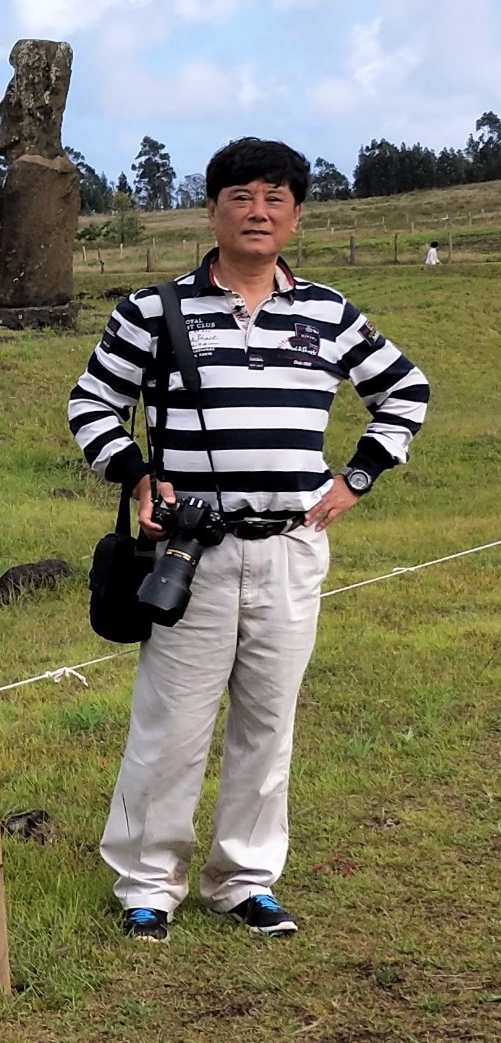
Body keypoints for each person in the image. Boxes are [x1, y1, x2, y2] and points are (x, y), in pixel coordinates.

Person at [66, 138, 429, 942]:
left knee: (269, 719)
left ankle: (243, 878)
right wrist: (136, 475)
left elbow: (404, 390)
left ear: (296, 214)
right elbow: (92, 402)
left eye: (274, 197)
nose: (257, 211)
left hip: (292, 548)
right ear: (212, 210)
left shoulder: (328, 312)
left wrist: (358, 477)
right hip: (189, 553)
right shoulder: (153, 311)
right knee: (172, 720)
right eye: (241, 196)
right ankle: (148, 885)